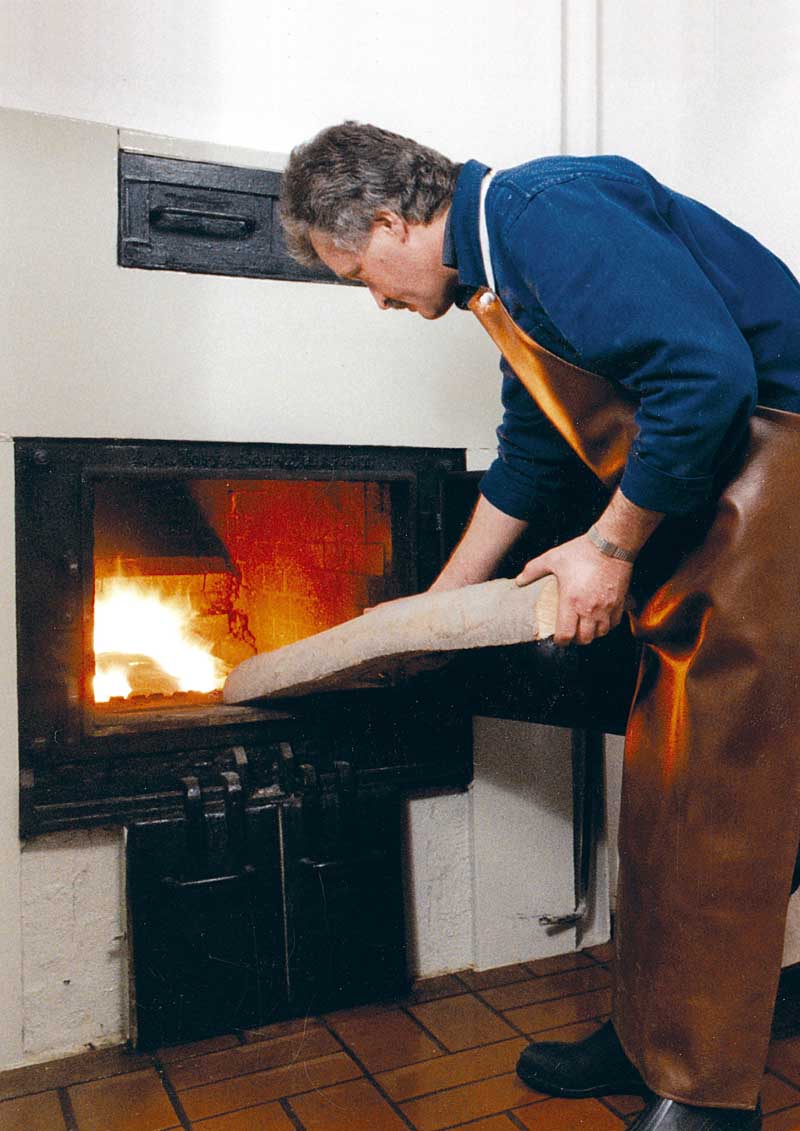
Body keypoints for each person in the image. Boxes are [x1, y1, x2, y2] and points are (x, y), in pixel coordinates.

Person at [280, 121, 800, 1130]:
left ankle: (702, 1091)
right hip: (718, 491)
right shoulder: (499, 272)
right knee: (660, 786)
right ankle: (647, 1030)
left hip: (777, 477)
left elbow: (704, 380)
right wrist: (434, 607)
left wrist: (606, 548)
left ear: (390, 222)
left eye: (360, 274)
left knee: (722, 793)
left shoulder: (539, 211)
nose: (378, 299)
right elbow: (532, 455)